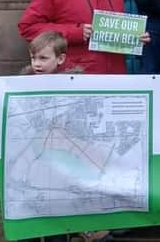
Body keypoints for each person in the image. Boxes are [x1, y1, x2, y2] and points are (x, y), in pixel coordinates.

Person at [15, 31, 108, 242]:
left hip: (61, 162)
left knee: (58, 217)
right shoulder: (20, 84)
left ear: (61, 59)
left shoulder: (73, 85)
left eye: (43, 58)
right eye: (33, 58)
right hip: (35, 160)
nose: (37, 64)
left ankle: (82, 229)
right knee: (30, 218)